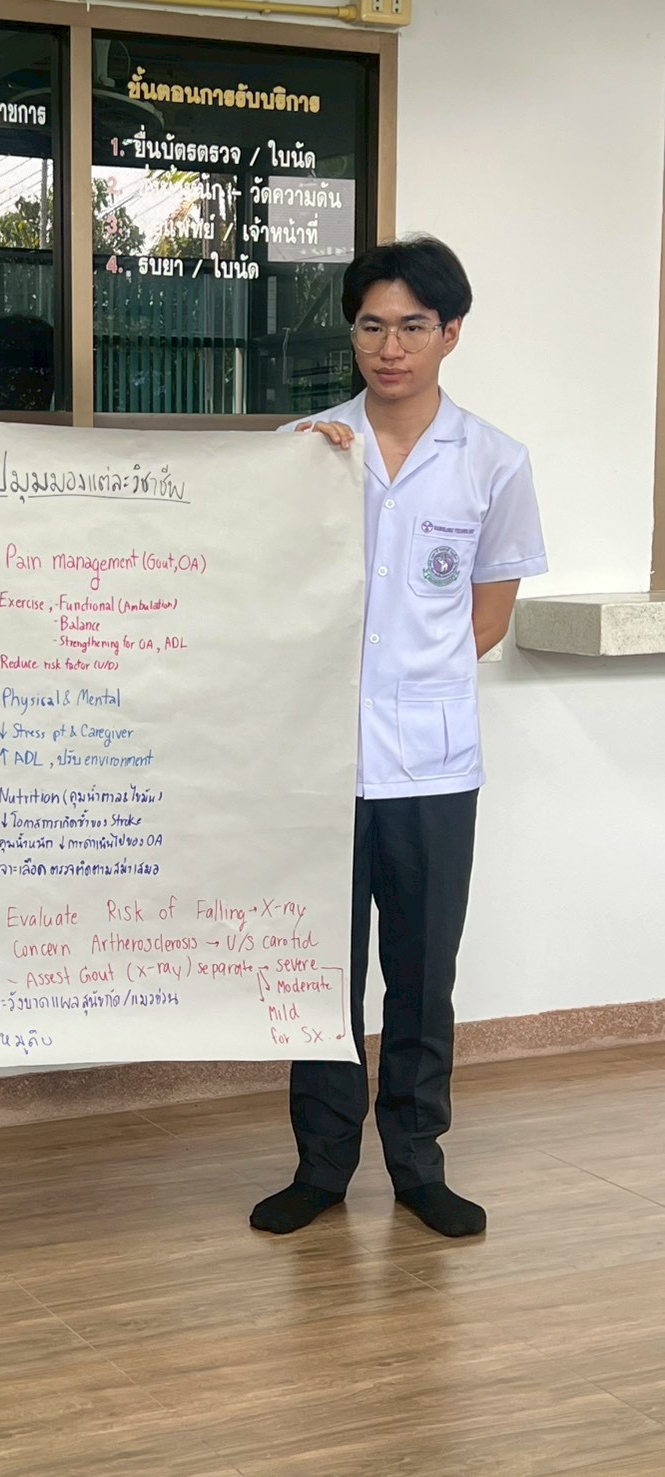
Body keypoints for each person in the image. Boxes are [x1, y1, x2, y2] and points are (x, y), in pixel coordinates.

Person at [251, 236, 546, 1240]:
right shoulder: (304, 448)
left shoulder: (494, 460)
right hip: (323, 762)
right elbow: (267, 595)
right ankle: (321, 1165)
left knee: (422, 975)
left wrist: (408, 678)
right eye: (371, 325)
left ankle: (419, 1164)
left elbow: (487, 617)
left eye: (413, 326)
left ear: (450, 334)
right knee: (320, 973)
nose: (389, 347)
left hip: (432, 763)